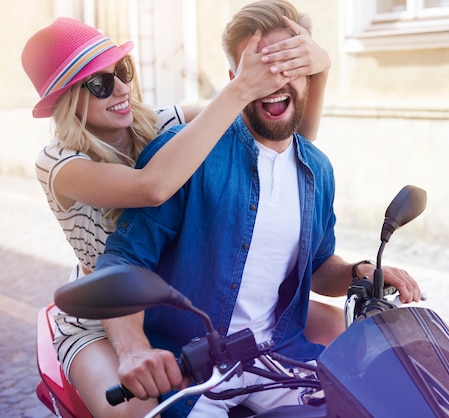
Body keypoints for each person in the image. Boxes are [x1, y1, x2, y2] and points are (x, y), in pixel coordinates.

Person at [96, 1, 423, 417]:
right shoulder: (187, 156)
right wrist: (133, 350)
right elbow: (123, 260)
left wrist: (360, 273)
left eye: (289, 66)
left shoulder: (316, 170)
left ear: (308, 74)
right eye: (261, 67)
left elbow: (318, 266)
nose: (275, 80)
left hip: (276, 356)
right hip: (193, 371)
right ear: (234, 78)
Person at [22, 14, 331, 418]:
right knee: (135, 409)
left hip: (172, 293)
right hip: (100, 310)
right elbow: (152, 187)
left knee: (346, 344)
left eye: (122, 71)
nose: (120, 88)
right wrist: (239, 85)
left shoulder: (158, 122)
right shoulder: (59, 162)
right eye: (98, 84)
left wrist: (318, 69)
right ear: (67, 100)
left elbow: (276, 132)